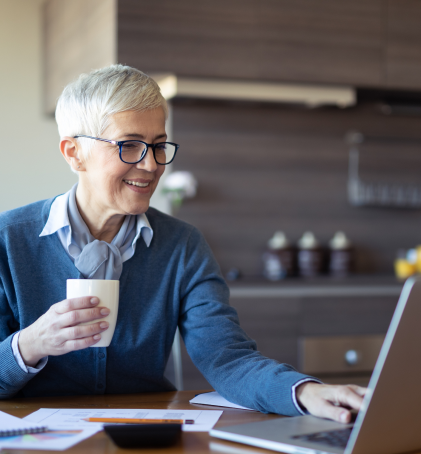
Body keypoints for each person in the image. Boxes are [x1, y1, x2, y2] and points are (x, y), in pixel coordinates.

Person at [0, 65, 365, 422]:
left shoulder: (182, 245)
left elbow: (227, 358)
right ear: (73, 153)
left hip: (144, 442)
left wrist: (303, 392)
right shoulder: (8, 239)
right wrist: (29, 344)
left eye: (158, 146)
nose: (150, 165)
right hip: (36, 451)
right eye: (129, 145)